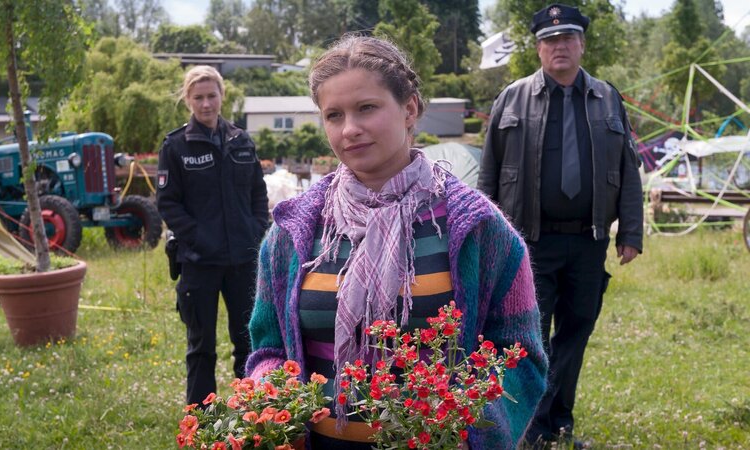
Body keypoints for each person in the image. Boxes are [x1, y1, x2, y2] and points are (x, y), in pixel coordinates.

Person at [245, 34, 548, 449]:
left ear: (409, 109)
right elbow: (268, 351)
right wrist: (270, 400)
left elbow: (521, 356)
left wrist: (469, 434)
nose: (350, 129)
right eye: (334, 115)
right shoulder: (290, 234)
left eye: (366, 108)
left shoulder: (479, 229)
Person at [477, 4, 643, 446]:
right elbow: (488, 173)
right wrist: (486, 235)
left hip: (588, 242)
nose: (560, 46)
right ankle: (528, 426)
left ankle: (559, 421)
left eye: (568, 38)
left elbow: (629, 170)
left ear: (581, 45)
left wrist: (630, 232)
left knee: (577, 329)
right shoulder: (511, 98)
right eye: (550, 40)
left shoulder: (609, 98)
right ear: (538, 49)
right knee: (529, 337)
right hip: (528, 243)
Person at [157, 65, 269, 406]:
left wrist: (255, 231)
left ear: (222, 96)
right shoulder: (176, 146)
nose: (206, 104)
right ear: (188, 100)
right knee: (201, 347)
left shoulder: (241, 140)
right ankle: (202, 422)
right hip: (199, 263)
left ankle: (249, 415)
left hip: (242, 263)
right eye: (198, 97)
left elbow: (257, 194)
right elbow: (167, 203)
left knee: (248, 342)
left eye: (211, 95)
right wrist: (199, 238)